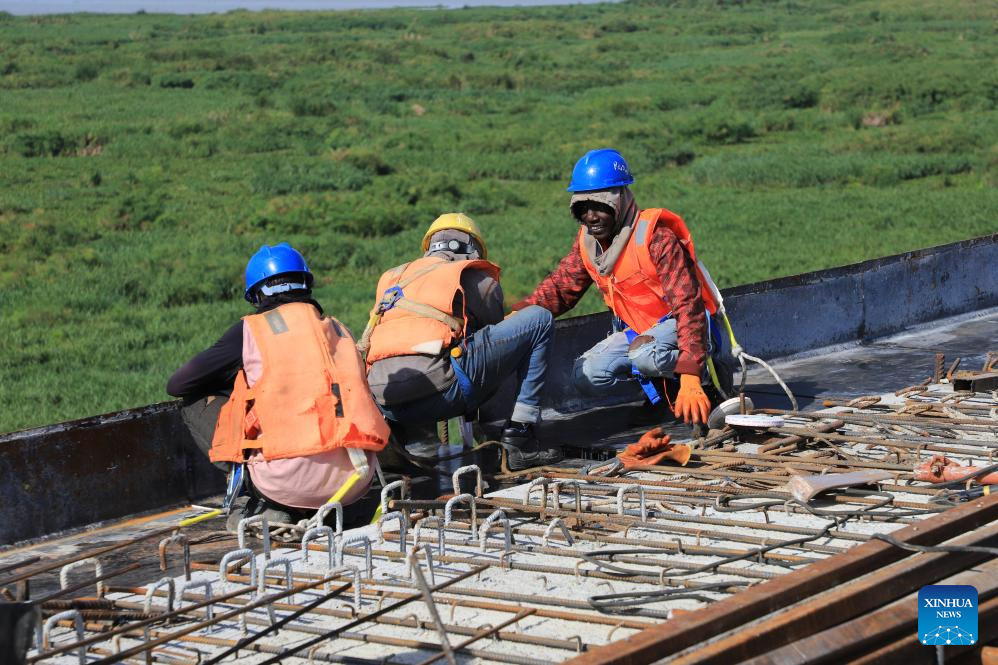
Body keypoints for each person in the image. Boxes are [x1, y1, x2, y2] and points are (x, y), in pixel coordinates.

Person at [166, 243, 389, 529]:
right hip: (354, 481)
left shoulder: (251, 331)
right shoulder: (338, 330)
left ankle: (256, 501)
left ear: (257, 294)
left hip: (284, 485)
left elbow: (178, 384)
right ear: (305, 284)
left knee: (195, 401)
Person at [511, 149, 732, 426]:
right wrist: (516, 316)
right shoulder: (589, 245)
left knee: (645, 354)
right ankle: (663, 396)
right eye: (582, 207)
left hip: (686, 329)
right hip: (639, 335)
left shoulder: (655, 238)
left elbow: (689, 307)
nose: (591, 216)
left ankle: (707, 384)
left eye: (600, 206)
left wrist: (689, 372)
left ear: (621, 200)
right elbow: (560, 288)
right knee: (586, 374)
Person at [360, 213, 561, 471]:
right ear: (474, 248)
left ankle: (407, 446)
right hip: (446, 392)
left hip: (387, 406)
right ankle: (520, 436)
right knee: (539, 320)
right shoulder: (475, 278)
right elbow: (493, 331)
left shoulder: (392, 278)